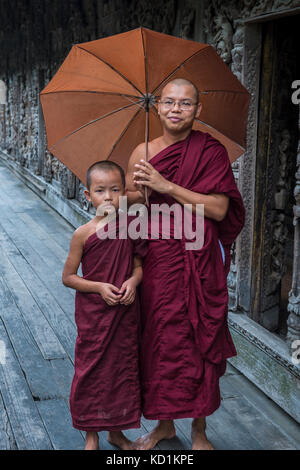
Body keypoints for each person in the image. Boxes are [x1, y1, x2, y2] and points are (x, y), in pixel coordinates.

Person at [126, 78, 246, 450]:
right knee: (160, 340)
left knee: (198, 338)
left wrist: (166, 186)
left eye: (186, 103)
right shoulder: (141, 151)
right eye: (170, 102)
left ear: (199, 110)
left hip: (199, 257)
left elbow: (219, 208)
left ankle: (199, 430)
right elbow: (131, 209)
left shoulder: (211, 151)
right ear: (157, 107)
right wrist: (138, 194)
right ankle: (164, 425)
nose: (177, 109)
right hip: (158, 259)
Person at [62, 160, 148, 450]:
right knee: (91, 371)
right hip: (95, 315)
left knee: (120, 371)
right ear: (88, 196)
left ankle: (116, 432)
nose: (108, 197)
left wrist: (133, 283)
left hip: (124, 312)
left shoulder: (131, 227)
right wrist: (99, 287)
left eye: (115, 190)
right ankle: (91, 435)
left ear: (124, 193)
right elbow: (68, 277)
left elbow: (138, 267)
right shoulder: (83, 234)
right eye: (100, 191)